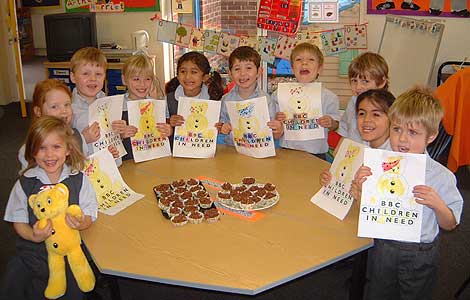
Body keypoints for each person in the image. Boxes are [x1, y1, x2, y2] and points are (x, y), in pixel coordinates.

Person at [351, 87, 464, 300]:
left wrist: (437, 204)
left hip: (419, 253)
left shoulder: (441, 176)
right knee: (377, 292)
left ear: (431, 136)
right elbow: (368, 210)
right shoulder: (378, 164)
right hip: (383, 246)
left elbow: (450, 223)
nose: (402, 139)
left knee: (415, 295)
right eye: (396, 129)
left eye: (412, 132)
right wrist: (360, 190)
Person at [1, 116, 98, 300]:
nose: (49, 155)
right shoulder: (26, 182)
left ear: (68, 149)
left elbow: (90, 211)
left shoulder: (78, 179)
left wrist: (81, 222)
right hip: (33, 251)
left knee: (73, 291)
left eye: (56, 147)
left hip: (68, 253)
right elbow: (18, 219)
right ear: (33, 152)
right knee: (14, 284)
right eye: (42, 148)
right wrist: (32, 235)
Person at [271, 42, 340, 159]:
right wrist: (278, 119)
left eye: (311, 59)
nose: (304, 63)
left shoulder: (329, 97)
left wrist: (330, 122)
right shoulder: (279, 94)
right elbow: (275, 127)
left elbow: (336, 124)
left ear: (320, 69)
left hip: (316, 153)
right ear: (292, 68)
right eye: (298, 59)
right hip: (288, 151)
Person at [319, 89, 395, 186]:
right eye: (362, 114)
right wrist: (330, 179)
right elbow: (346, 180)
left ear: (392, 118)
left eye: (376, 114)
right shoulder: (359, 147)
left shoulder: (395, 154)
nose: (366, 120)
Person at [111, 53, 172, 160]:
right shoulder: (116, 106)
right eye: (136, 79)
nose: (142, 84)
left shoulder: (158, 103)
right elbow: (109, 140)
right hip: (128, 162)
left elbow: (166, 131)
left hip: (155, 159)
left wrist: (169, 131)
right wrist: (120, 135)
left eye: (147, 79)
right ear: (124, 80)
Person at [17, 79, 87, 171]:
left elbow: (86, 168)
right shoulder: (30, 147)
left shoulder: (78, 137)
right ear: (38, 111)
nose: (64, 111)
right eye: (54, 106)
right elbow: (28, 182)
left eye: (67, 104)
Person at [219, 46, 283, 145]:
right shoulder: (225, 99)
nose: (243, 73)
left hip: (259, 150)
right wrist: (223, 127)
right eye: (237, 69)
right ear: (230, 74)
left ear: (259, 72)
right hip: (232, 150)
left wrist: (278, 129)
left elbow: (273, 132)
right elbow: (219, 124)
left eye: (248, 68)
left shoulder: (266, 100)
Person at [69, 47, 118, 159]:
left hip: (112, 167)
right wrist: (83, 139)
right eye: (86, 73)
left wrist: (121, 133)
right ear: (73, 77)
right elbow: (59, 145)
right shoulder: (67, 110)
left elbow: (113, 137)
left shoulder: (110, 104)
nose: (93, 78)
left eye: (99, 74)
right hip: (83, 171)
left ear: (105, 76)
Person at [337, 52, 389, 143]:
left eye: (365, 81)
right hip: (353, 152)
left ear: (381, 82)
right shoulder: (353, 101)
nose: (358, 87)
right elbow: (344, 125)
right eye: (354, 81)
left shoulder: (387, 106)